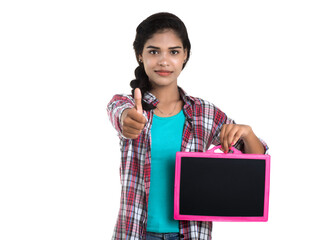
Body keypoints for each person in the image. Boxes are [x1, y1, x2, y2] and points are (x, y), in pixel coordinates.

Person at [107, 12, 268, 240]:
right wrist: (127, 120)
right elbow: (118, 113)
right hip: (136, 233)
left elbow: (255, 163)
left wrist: (248, 133)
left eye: (173, 52)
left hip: (191, 234)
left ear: (185, 56)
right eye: (154, 51)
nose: (164, 61)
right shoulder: (127, 105)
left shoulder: (204, 113)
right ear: (140, 56)